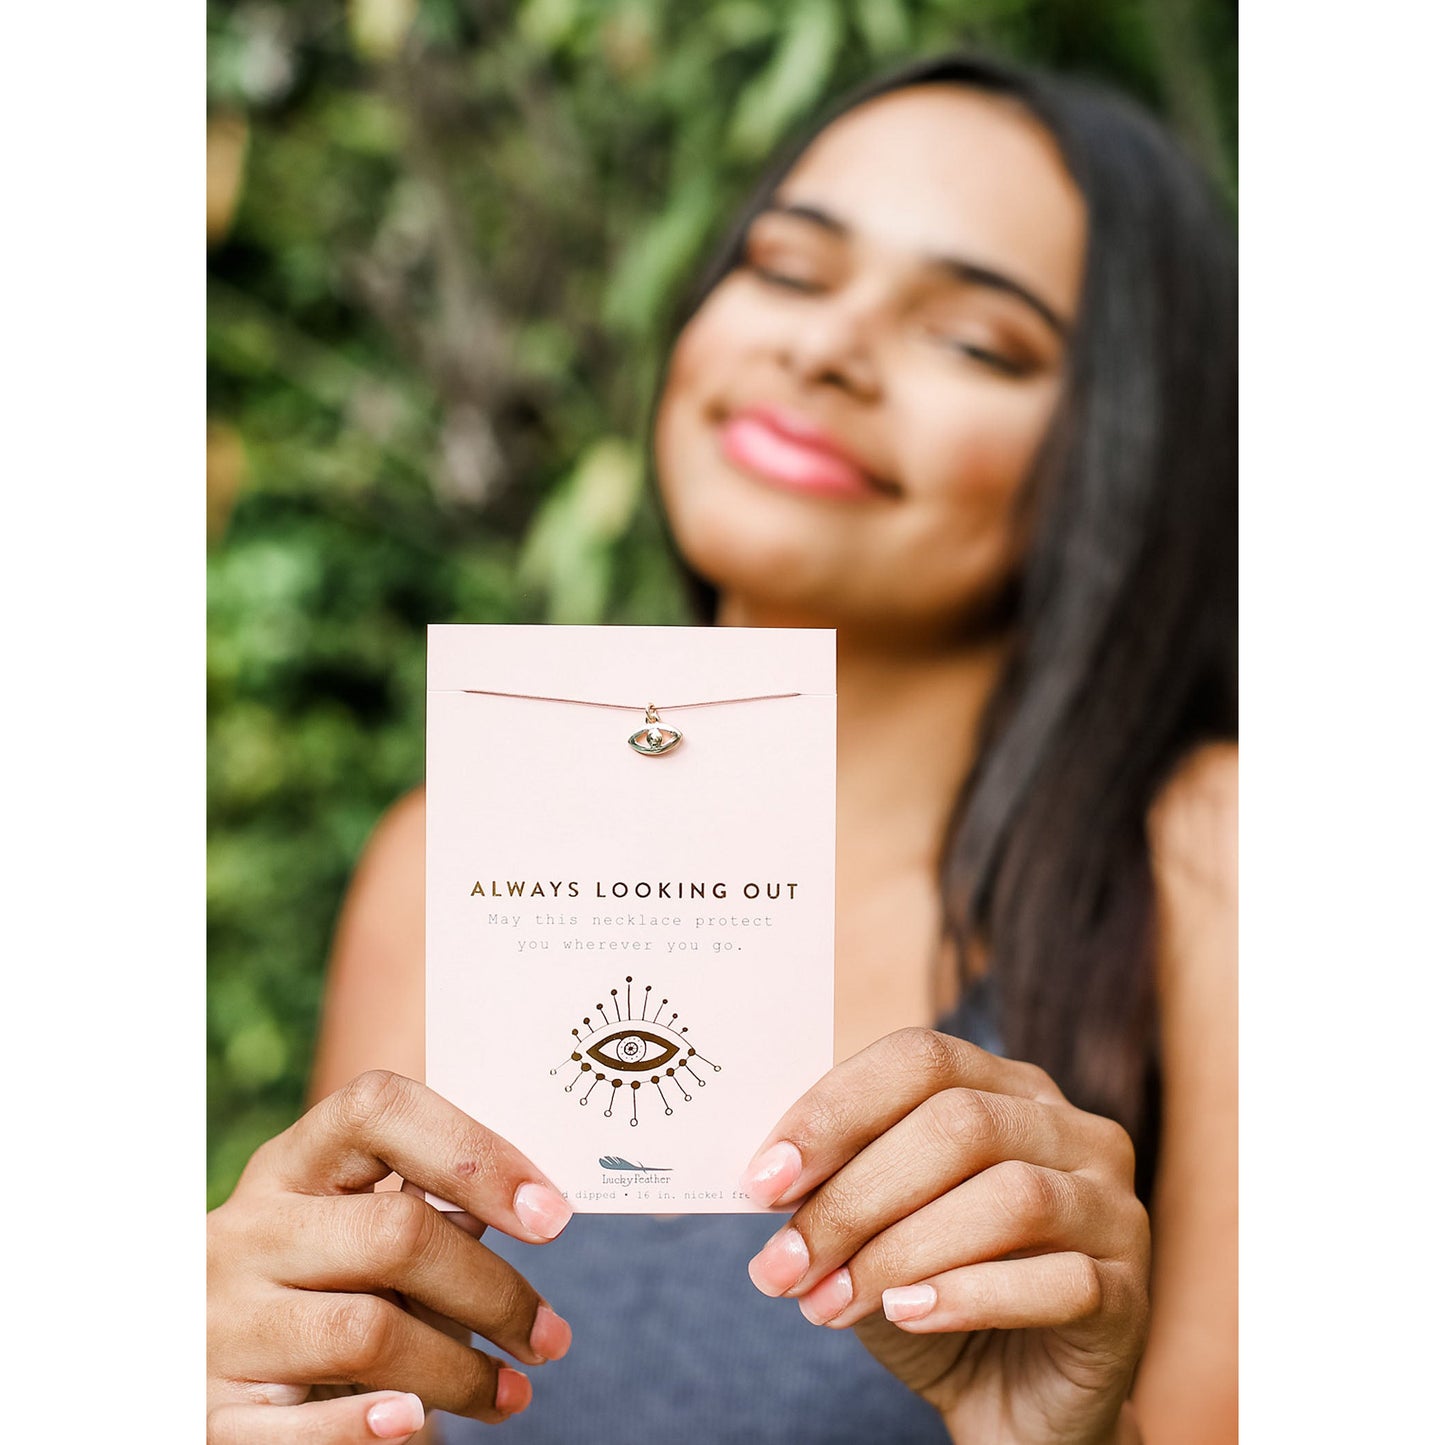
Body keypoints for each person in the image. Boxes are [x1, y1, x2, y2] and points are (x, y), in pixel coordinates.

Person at [207, 51, 1237, 1445]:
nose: (824, 349)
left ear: (1117, 453)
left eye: (976, 340)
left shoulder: (1217, 861)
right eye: (789, 269)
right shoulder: (439, 851)